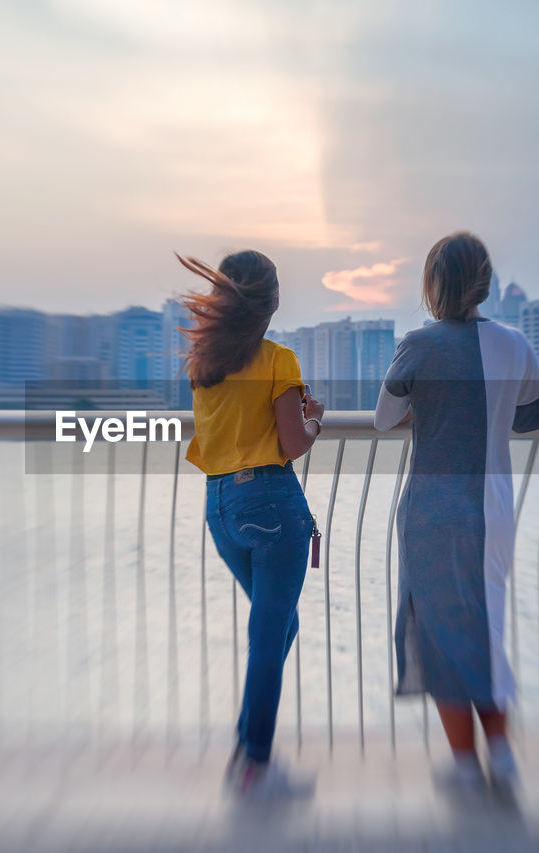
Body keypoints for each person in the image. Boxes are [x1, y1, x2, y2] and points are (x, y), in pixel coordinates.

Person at [373, 232, 539, 800]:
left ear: (432, 285)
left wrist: (428, 409)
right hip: (493, 509)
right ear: (485, 282)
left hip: (431, 512)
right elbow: (534, 415)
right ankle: (501, 754)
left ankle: (467, 765)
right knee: (486, 623)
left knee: (439, 634)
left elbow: (383, 419)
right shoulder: (515, 342)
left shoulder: (417, 346)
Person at [177, 249, 324, 801]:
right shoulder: (278, 359)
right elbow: (292, 444)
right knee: (270, 634)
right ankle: (255, 765)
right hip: (270, 506)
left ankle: (246, 747)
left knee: (278, 629)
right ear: (271, 304)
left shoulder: (204, 364)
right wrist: (316, 419)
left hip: (221, 509)